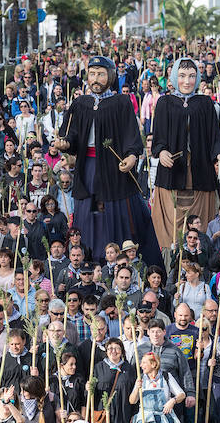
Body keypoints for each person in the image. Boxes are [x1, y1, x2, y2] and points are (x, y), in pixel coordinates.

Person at [52, 56, 160, 266]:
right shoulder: (79, 103)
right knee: (91, 212)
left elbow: (132, 135)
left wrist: (131, 155)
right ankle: (89, 259)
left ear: (110, 76)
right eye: (92, 74)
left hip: (113, 170)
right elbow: (69, 134)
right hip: (88, 169)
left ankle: (119, 260)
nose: (96, 79)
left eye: (101, 74)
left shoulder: (121, 103)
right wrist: (65, 144)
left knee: (113, 213)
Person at [151, 57, 220, 250]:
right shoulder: (164, 102)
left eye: (192, 76)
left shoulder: (206, 103)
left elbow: (215, 136)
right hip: (172, 172)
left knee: (201, 222)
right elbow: (157, 137)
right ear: (174, 77)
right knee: (169, 227)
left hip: (200, 171)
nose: (187, 81)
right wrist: (162, 151)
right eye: (182, 75)